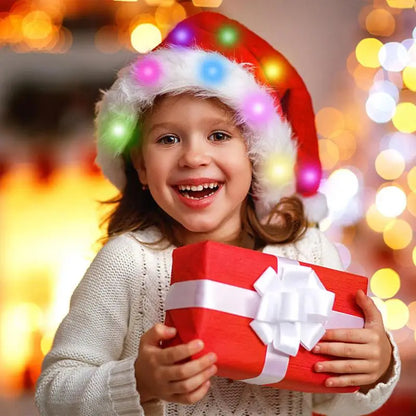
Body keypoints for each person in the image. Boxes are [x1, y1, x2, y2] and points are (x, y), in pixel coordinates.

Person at [35, 11, 400, 416]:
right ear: (139, 165)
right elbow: (54, 392)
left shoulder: (307, 252)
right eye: (168, 138)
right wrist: (138, 380)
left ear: (256, 157)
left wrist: (377, 366)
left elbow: (333, 399)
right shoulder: (127, 263)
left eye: (219, 135)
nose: (194, 156)